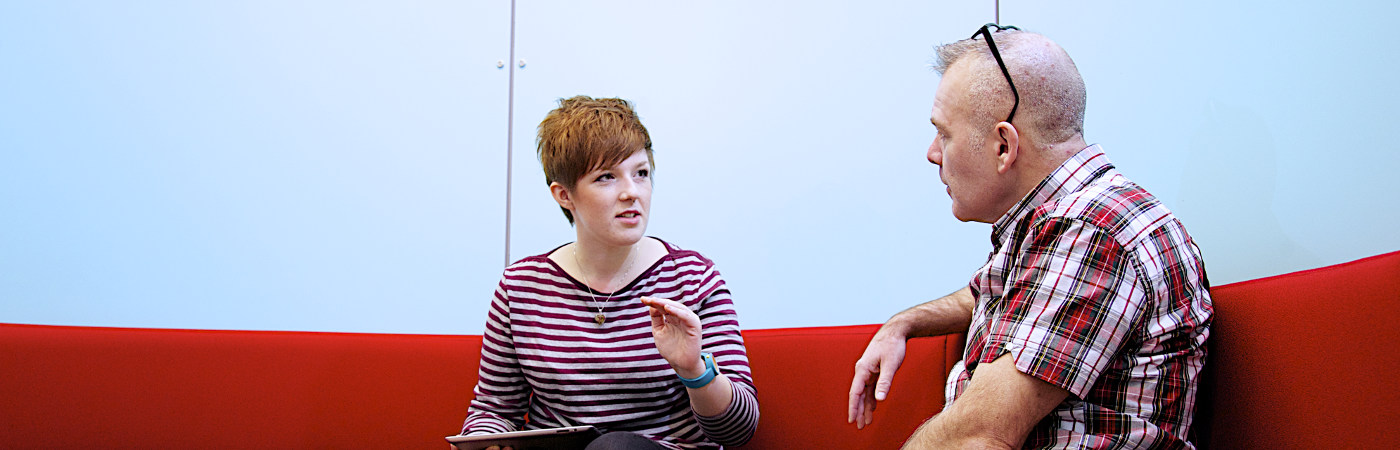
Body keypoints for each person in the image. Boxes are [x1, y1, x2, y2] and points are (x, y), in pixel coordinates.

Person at [847, 25, 1213, 449]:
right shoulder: (1065, 224)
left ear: (1004, 145)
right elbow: (1000, 293)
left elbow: (977, 436)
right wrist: (904, 323)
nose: (933, 153)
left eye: (944, 133)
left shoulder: (1092, 231)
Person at [459, 96, 759, 450]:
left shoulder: (692, 277)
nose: (632, 193)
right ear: (564, 195)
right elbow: (493, 410)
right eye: (606, 178)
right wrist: (483, 443)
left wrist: (695, 371)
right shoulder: (521, 287)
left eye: (641, 173)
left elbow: (739, 432)